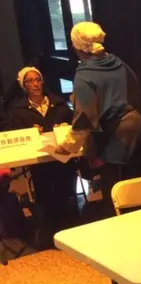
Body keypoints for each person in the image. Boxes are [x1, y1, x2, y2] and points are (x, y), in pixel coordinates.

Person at [55, 22, 141, 217]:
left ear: (76, 47)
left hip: (117, 149)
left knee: (119, 206)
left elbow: (84, 120)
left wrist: (66, 147)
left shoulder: (85, 75)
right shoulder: (121, 65)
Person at [9, 67, 78, 247]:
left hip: (63, 158)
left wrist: (64, 127)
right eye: (29, 81)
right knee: (45, 196)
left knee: (68, 193)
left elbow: (74, 127)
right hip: (40, 162)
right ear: (23, 86)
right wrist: (29, 133)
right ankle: (50, 235)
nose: (35, 84)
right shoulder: (18, 110)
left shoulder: (59, 103)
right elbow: (16, 135)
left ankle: (73, 230)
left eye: (37, 79)